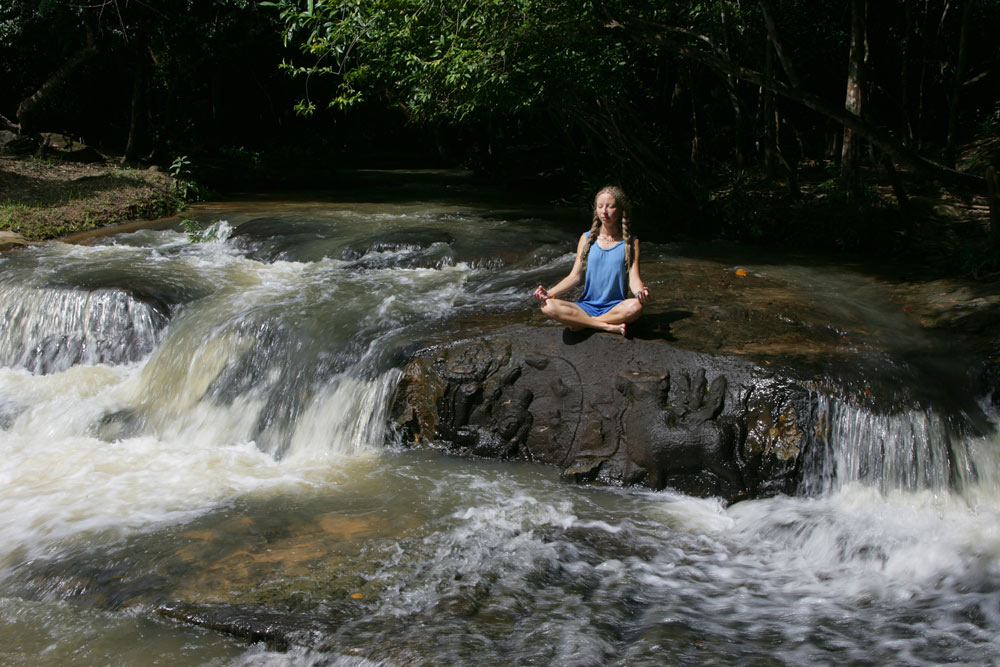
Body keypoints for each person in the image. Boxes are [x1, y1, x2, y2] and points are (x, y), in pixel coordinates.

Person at [533, 185, 650, 336]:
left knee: (635, 307)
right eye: (600, 206)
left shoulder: (631, 242)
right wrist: (549, 293)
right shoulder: (587, 239)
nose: (604, 211)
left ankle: (584, 323)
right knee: (547, 306)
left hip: (615, 307)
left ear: (620, 210)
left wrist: (641, 292)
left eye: (610, 207)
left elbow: (634, 279)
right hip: (586, 306)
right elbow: (574, 277)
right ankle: (605, 326)